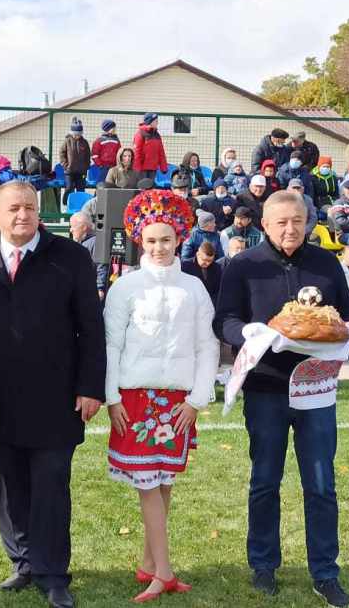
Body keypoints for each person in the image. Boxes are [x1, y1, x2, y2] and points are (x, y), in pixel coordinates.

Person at [0, 180, 106, 608]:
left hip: (57, 393)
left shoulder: (71, 257)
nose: (23, 216)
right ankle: (22, 560)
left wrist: (90, 386)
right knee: (9, 481)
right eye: (14, 209)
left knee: (52, 481)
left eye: (30, 208)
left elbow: (91, 327)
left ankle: (53, 571)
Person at [214, 190, 349, 607]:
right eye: (280, 222)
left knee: (321, 484)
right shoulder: (243, 265)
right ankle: (263, 565)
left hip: (316, 390)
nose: (289, 229)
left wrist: (342, 332)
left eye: (297, 220)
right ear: (265, 224)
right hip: (266, 388)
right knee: (264, 481)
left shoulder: (325, 262)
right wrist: (251, 334)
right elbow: (223, 319)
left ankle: (326, 573)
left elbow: (347, 315)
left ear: (307, 221)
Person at [105, 188, 217, 602]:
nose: (158, 247)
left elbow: (207, 347)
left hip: (178, 403)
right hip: (134, 400)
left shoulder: (194, 288)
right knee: (149, 485)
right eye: (150, 240)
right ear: (139, 240)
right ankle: (164, 572)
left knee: (164, 483)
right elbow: (111, 345)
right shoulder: (125, 287)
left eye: (166, 239)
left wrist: (196, 400)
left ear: (179, 239)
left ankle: (150, 563)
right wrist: (112, 397)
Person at [69, 211, 107, 298]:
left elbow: (101, 265)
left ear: (84, 227)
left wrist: (99, 288)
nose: (71, 230)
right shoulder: (83, 242)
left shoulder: (94, 242)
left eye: (73, 226)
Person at [59, 118, 92, 204]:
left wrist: (86, 166)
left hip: (81, 172)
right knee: (69, 187)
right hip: (69, 171)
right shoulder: (67, 141)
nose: (77, 136)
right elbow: (62, 153)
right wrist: (66, 165)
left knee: (81, 189)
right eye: (75, 134)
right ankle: (66, 203)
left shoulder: (84, 142)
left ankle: (80, 205)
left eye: (79, 134)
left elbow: (88, 155)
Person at [133, 113, 168, 181]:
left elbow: (161, 152)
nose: (157, 123)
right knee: (142, 189)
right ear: (150, 122)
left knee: (151, 189)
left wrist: (163, 167)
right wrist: (137, 168)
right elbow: (137, 152)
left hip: (153, 168)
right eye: (156, 121)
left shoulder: (157, 135)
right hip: (142, 169)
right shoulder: (140, 133)